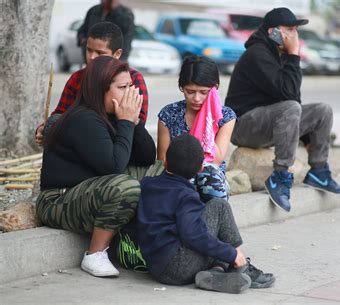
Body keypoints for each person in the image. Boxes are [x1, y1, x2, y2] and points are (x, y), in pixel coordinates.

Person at [37, 56, 163, 278]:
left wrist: (134, 122)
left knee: (161, 171)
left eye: (130, 87)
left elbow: (146, 158)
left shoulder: (112, 115)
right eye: (122, 87)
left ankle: (153, 235)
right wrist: (125, 123)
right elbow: (113, 167)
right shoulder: (83, 119)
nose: (130, 93)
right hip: (58, 200)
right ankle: (95, 253)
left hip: (91, 189)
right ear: (100, 89)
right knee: (126, 186)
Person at [225, 7, 340, 212]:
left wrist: (307, 139)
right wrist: (294, 54)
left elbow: (293, 98)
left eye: (295, 29)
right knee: (289, 107)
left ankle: (319, 170)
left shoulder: (279, 55)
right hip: (242, 126)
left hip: (267, 121)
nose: (294, 35)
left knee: (322, 110)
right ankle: (279, 177)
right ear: (273, 32)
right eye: (290, 29)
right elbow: (288, 96)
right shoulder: (258, 54)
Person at [133, 134, 275, 293]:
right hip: (179, 266)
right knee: (219, 206)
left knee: (209, 232)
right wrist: (231, 253)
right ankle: (240, 265)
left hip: (155, 267)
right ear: (201, 168)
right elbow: (194, 235)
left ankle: (217, 271)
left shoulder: (147, 184)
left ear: (165, 161)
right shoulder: (186, 196)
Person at [35, 21, 148, 145]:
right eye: (89, 50)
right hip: (79, 143)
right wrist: (44, 128)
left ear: (117, 54)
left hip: (119, 143)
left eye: (100, 53)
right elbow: (61, 114)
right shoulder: (77, 78)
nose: (92, 57)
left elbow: (138, 124)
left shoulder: (132, 79)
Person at [157, 55, 236, 202]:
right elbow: (162, 161)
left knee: (207, 175)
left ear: (215, 89)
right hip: (176, 178)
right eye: (190, 91)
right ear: (182, 88)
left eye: (204, 92)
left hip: (210, 182)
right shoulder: (168, 114)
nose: (197, 98)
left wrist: (208, 118)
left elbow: (216, 159)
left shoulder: (225, 116)